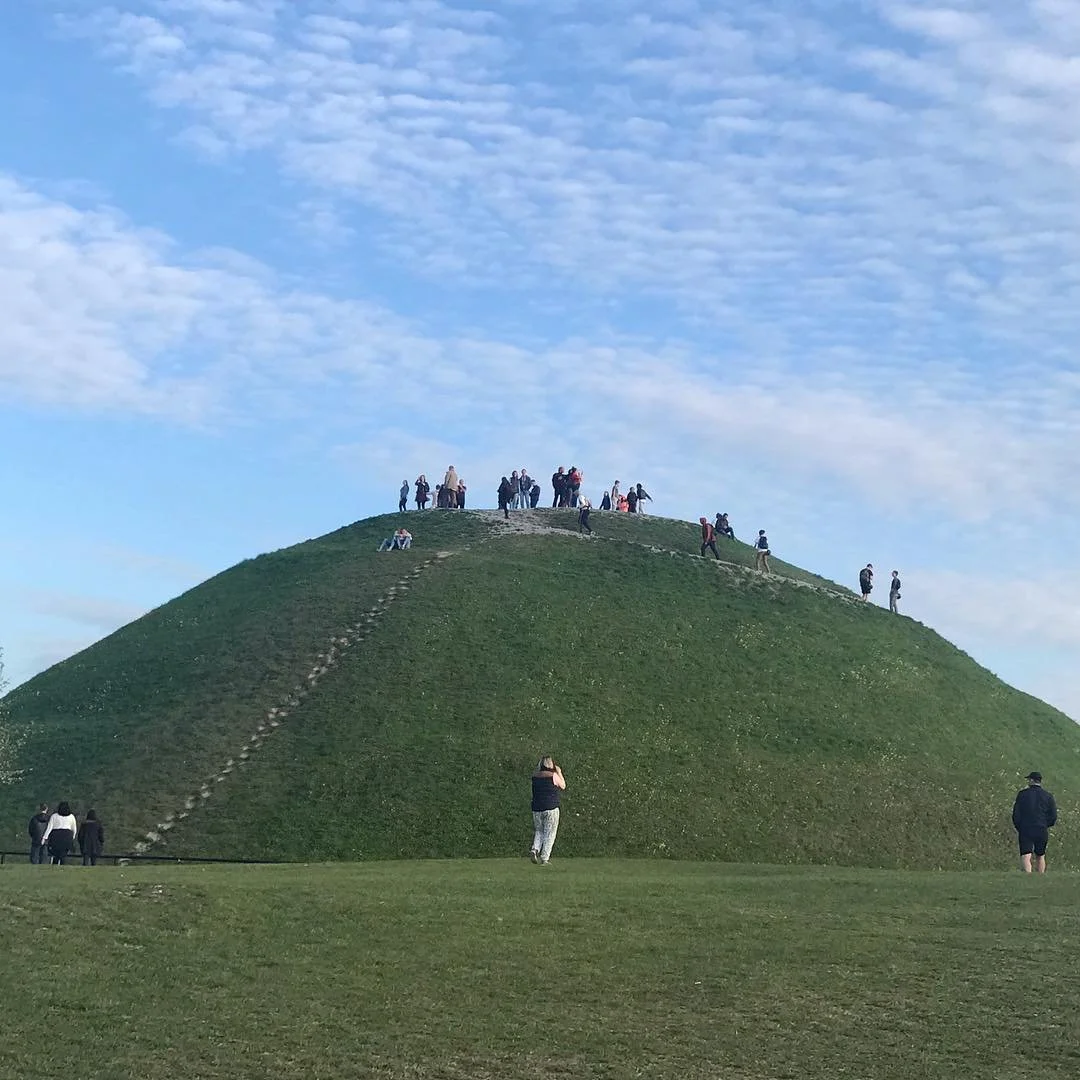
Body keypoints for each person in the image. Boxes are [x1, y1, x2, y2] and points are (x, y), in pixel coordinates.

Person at [1012, 772, 1057, 873]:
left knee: (1026, 854)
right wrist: (1046, 824)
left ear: (1031, 780)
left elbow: (1016, 814)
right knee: (1040, 855)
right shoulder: (1048, 796)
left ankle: (1028, 877)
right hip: (1041, 828)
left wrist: (1019, 826)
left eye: (1029, 780)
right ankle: (1040, 878)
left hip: (1026, 828)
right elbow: (1053, 816)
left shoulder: (1022, 794)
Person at [529, 756, 566, 865]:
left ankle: (535, 849)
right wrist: (559, 772)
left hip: (536, 808)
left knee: (539, 830)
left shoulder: (535, 777)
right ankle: (545, 858)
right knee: (550, 833)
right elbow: (563, 786)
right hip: (551, 808)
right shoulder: (553, 776)